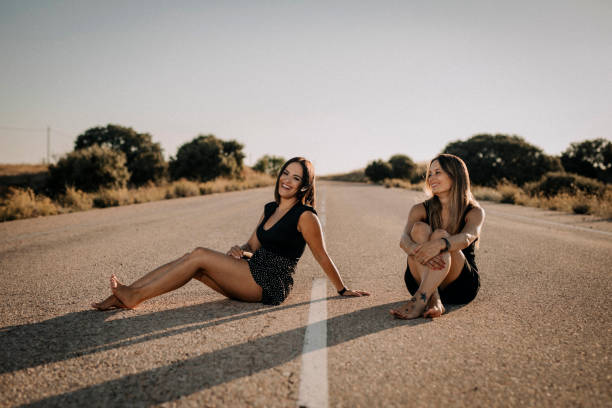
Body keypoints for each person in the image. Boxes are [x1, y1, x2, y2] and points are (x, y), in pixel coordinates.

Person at [92, 157, 369, 310]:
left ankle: (132, 297)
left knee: (199, 255)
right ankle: (127, 293)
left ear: (305, 187)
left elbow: (321, 256)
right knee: (193, 265)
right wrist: (240, 249)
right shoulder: (270, 208)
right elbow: (251, 244)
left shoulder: (306, 216)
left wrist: (342, 289)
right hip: (252, 269)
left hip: (271, 282)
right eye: (285, 173)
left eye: (296, 178)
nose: (287, 180)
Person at [390, 154, 485, 319]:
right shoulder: (419, 209)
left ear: (455, 175)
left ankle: (422, 299)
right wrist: (414, 249)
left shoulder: (474, 211)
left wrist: (440, 243)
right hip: (420, 279)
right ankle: (431, 297)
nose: (431, 178)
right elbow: (403, 239)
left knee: (440, 234)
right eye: (430, 173)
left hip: (459, 285)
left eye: (438, 172)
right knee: (418, 229)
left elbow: (467, 237)